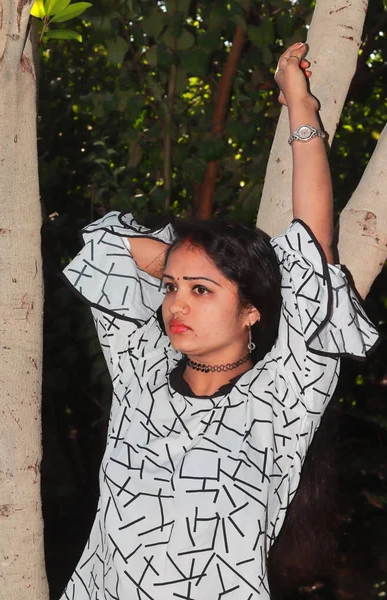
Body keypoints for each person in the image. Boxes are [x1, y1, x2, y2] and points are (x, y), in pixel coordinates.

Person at [60, 43, 378, 599]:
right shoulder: (142, 373)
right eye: (171, 289)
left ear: (252, 308)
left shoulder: (283, 395)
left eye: (201, 291)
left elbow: (314, 246)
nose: (176, 305)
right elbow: (106, 247)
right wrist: (194, 262)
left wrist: (300, 106)